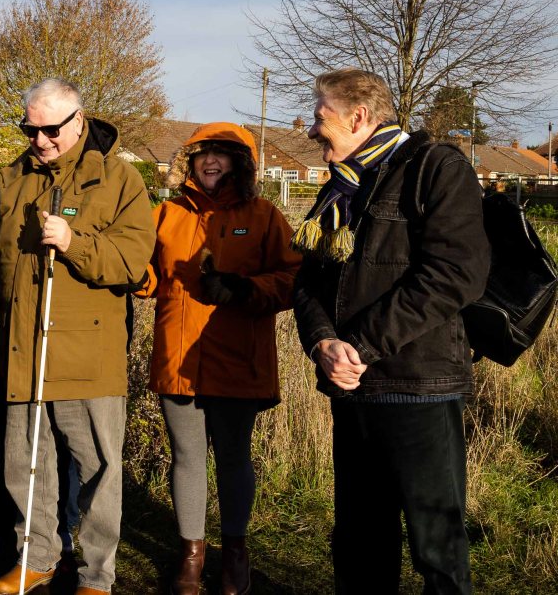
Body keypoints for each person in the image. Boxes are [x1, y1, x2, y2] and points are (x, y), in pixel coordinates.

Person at [292, 68, 490, 594]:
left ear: (358, 117)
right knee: (359, 541)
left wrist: (357, 345)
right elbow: (307, 281)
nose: (312, 128)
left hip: (418, 387)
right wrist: (322, 343)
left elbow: (457, 275)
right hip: (352, 390)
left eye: (320, 116)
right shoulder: (339, 189)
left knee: (437, 546)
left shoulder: (436, 168)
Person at [0, 78, 155, 595]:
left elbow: (131, 262)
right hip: (22, 348)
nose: (40, 140)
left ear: (79, 120)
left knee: (99, 469)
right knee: (26, 464)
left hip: (87, 353)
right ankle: (37, 557)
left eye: (50, 129)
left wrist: (75, 241)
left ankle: (97, 575)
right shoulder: (11, 178)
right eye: (29, 129)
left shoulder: (121, 180)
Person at [138, 123, 300, 595]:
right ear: (188, 163)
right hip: (178, 356)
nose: (211, 161)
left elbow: (294, 278)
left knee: (232, 458)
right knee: (186, 458)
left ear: (241, 164)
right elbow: (147, 274)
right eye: (202, 154)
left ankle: (234, 554)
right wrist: (128, 276)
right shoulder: (165, 213)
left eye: (222, 154)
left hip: (238, 356)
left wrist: (245, 289)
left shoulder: (265, 215)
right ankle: (192, 556)